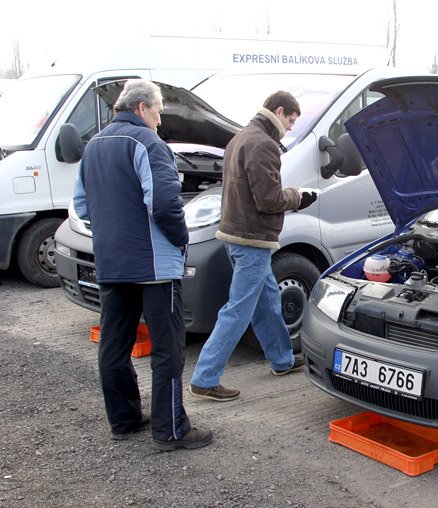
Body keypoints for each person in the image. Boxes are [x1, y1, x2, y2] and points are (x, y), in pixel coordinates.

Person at [73, 79, 212, 451]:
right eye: (158, 110)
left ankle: (124, 420)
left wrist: (113, 230)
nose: (160, 118)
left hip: (111, 262)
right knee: (168, 348)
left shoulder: (94, 146)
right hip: (154, 267)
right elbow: (165, 204)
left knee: (114, 344)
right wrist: (181, 238)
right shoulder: (149, 144)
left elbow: (83, 206)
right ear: (141, 108)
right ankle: (170, 430)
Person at [189, 91, 317, 402]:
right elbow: (269, 199)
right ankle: (205, 377)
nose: (290, 127)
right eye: (291, 120)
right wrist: (299, 197)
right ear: (280, 110)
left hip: (236, 234)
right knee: (239, 308)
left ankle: (282, 360)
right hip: (253, 239)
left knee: (267, 300)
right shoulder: (264, 144)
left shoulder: (240, 139)